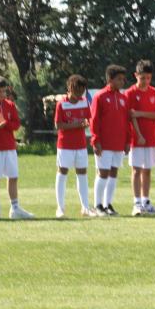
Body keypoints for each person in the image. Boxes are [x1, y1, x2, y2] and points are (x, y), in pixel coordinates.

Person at [0, 76, 34, 220]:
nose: (2, 94)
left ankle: (15, 208)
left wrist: (5, 123)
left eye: (4, 91)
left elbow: (16, 124)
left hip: (9, 146)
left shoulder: (10, 105)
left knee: (13, 177)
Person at [90, 64, 131, 216]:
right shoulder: (100, 96)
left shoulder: (123, 98)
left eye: (123, 79)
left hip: (119, 143)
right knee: (103, 172)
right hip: (104, 143)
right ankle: (98, 205)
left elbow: (126, 121)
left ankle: (108, 204)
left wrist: (128, 141)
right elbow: (94, 120)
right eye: (119, 79)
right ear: (110, 79)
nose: (122, 82)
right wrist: (96, 140)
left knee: (114, 173)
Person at [54, 74, 95, 218]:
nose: (79, 95)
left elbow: (88, 119)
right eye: (77, 91)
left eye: (81, 92)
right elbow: (58, 125)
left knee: (82, 173)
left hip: (81, 145)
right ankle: (60, 208)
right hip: (65, 145)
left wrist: (86, 123)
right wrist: (76, 124)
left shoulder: (84, 102)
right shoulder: (61, 104)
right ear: (70, 88)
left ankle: (85, 207)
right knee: (62, 172)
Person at [126, 60, 155, 215]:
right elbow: (130, 115)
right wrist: (138, 134)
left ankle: (146, 201)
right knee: (136, 170)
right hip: (136, 139)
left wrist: (141, 113)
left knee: (147, 170)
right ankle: (136, 203)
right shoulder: (129, 93)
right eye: (142, 78)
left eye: (148, 78)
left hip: (151, 137)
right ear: (136, 75)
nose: (145, 81)